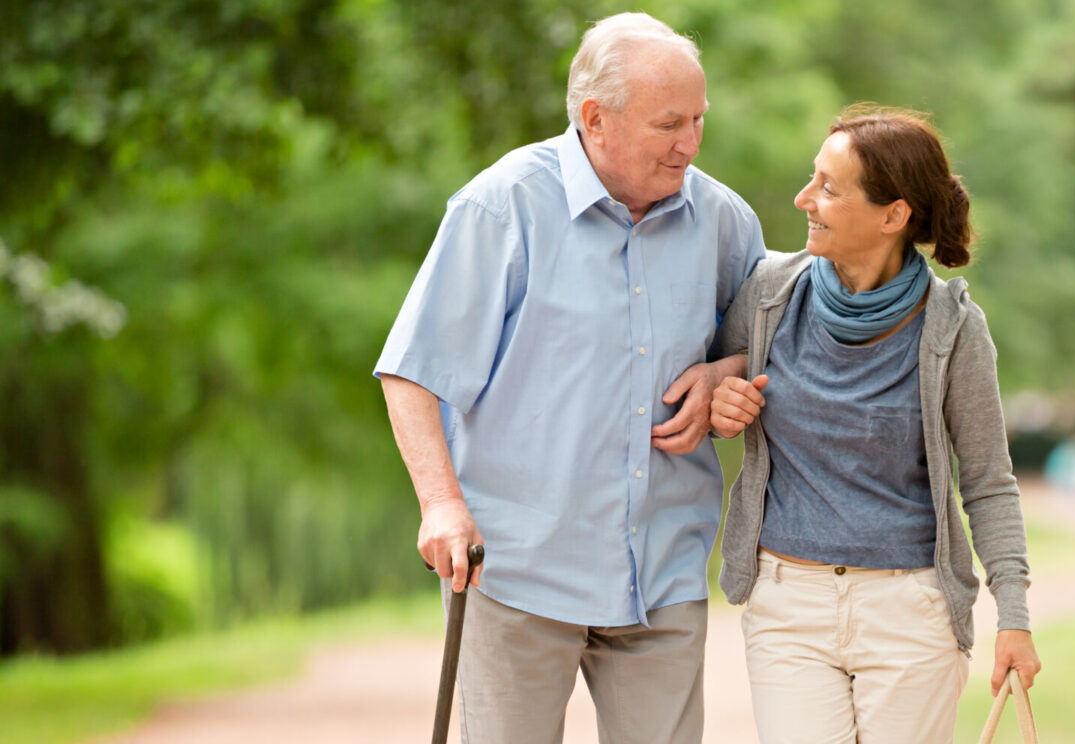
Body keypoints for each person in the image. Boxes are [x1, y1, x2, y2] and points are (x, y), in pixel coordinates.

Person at [372, 13, 763, 744]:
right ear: (596, 119)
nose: (690, 142)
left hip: (663, 574)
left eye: (699, 120)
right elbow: (411, 372)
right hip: (518, 571)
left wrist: (724, 371)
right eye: (669, 123)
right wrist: (440, 505)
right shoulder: (503, 207)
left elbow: (776, 341)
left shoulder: (722, 219)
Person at [707, 105, 1040, 744]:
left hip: (911, 613)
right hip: (788, 604)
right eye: (813, 178)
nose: (806, 198)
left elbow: (990, 483)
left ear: (894, 215)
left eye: (830, 189)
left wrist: (1014, 618)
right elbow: (718, 389)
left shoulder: (953, 331)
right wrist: (724, 408)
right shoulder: (770, 295)